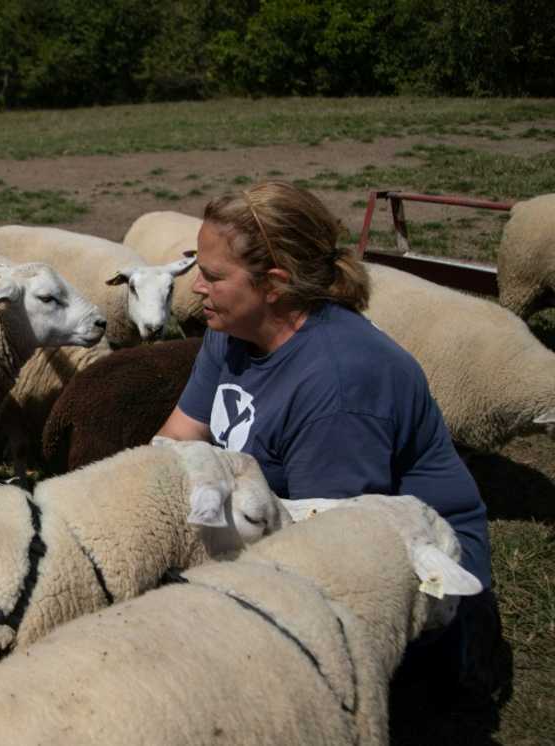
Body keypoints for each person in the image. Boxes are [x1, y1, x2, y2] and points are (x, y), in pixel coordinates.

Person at [156, 181, 500, 699]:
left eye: (212, 276)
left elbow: (328, 548)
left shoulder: (340, 386)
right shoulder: (230, 332)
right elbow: (174, 443)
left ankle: (459, 662)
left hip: (415, 577)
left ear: (273, 284)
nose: (197, 288)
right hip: (277, 520)